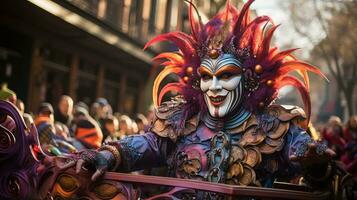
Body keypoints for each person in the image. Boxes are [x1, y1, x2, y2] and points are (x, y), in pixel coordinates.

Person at [64, 0, 337, 196]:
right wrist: (107, 156)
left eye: (226, 76)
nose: (214, 87)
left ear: (248, 81)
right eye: (206, 77)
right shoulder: (182, 120)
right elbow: (143, 146)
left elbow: (314, 167)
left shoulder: (274, 126)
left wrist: (315, 164)